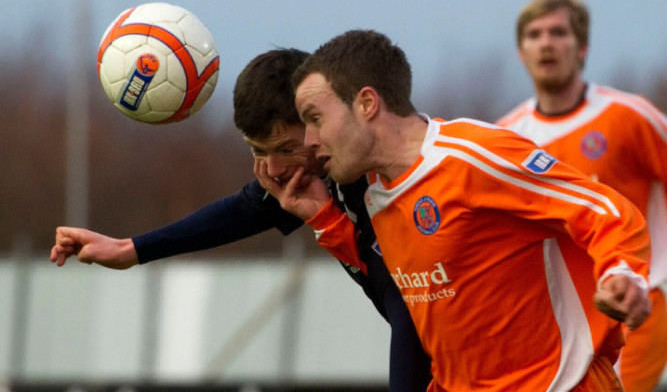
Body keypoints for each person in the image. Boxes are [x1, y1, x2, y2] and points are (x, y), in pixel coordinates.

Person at [276, 29, 652, 391]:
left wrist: (620, 271)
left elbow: (603, 208)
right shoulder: (376, 190)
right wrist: (324, 219)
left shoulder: (471, 158)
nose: (309, 141)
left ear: (367, 104)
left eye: (315, 118)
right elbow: (394, 287)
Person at [50, 48, 432, 391]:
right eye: (258, 151)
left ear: (317, 120)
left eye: (286, 147)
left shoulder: (390, 174)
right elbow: (240, 211)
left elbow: (412, 300)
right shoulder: (312, 173)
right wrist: (129, 248)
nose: (275, 168)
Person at [495, 0, 667, 391]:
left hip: (633, 307)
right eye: (535, 35)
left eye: (558, 32)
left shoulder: (628, 115)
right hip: (554, 324)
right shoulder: (507, 137)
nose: (547, 43)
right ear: (522, 52)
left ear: (582, 47)